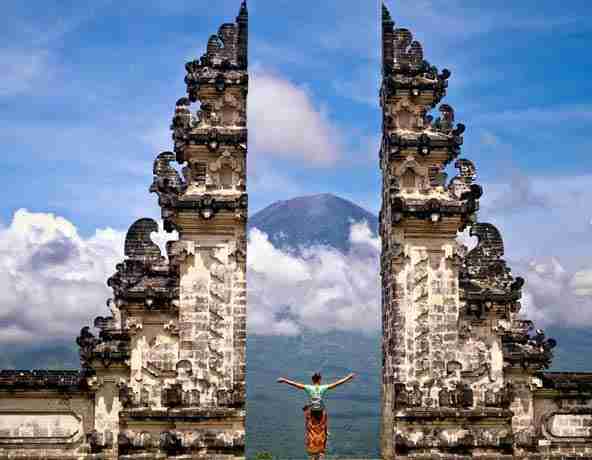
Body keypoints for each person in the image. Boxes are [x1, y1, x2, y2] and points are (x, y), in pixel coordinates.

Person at [277, 372, 356, 460]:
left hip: (312, 412)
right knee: (322, 431)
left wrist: (284, 380)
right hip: (321, 412)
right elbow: (338, 383)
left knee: (311, 430)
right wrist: (348, 377)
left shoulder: (309, 387)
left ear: (312, 380)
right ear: (320, 380)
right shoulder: (323, 387)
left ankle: (313, 452)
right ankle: (321, 452)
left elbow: (295, 384)